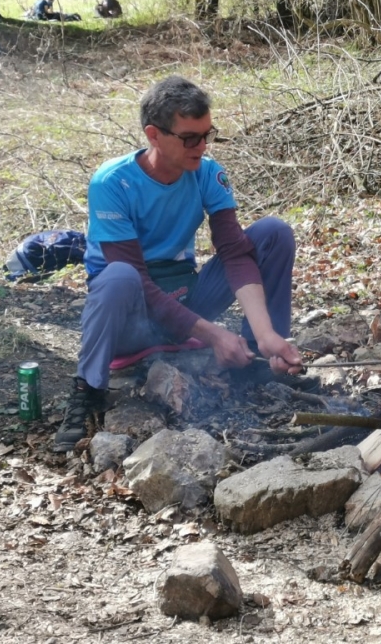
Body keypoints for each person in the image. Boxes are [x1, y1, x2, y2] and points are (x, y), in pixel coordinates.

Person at [52, 75, 303, 453]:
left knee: (272, 233)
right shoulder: (113, 183)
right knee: (118, 276)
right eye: (190, 138)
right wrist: (214, 334)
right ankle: (87, 390)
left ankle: (260, 356)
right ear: (154, 135)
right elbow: (136, 278)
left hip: (186, 299)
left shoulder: (206, 171)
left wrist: (266, 333)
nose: (201, 147)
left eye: (207, 134)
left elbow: (234, 252)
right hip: (133, 318)